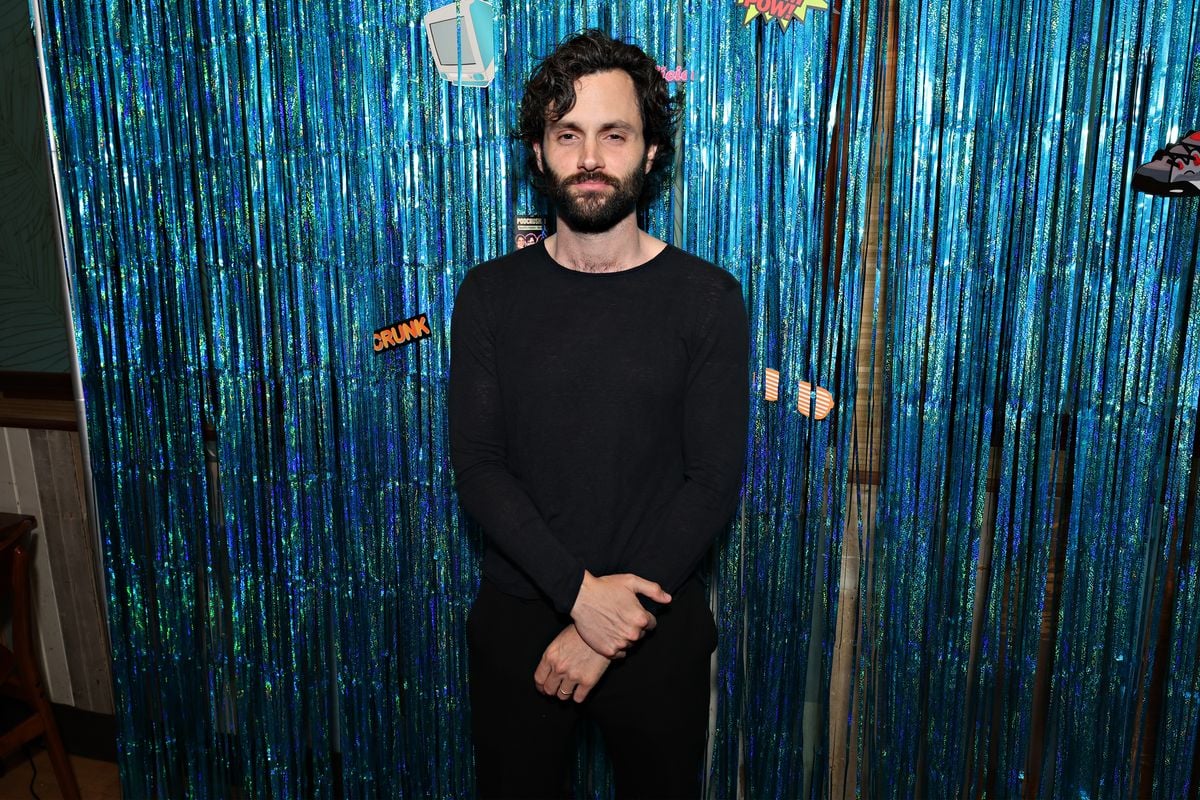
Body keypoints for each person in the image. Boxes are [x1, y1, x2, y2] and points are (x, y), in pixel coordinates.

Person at [449, 29, 749, 799]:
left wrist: (606, 631)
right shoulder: (489, 296)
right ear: (542, 155)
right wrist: (582, 602)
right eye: (567, 134)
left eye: (613, 134)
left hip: (656, 626)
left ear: (649, 154)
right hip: (520, 626)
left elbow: (712, 479)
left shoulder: (706, 299)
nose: (589, 156)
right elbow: (479, 468)